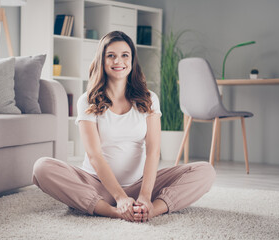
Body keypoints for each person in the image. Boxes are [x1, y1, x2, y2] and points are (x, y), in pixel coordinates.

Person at [32, 31, 216, 222]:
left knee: (205, 171)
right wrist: (120, 198)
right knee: (42, 167)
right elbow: (95, 155)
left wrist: (145, 195)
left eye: (124, 55)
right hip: (96, 184)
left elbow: (153, 152)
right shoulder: (86, 101)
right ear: (101, 60)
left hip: (139, 185)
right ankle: (113, 211)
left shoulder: (149, 99)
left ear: (132, 60)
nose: (118, 61)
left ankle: (151, 210)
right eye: (110, 55)